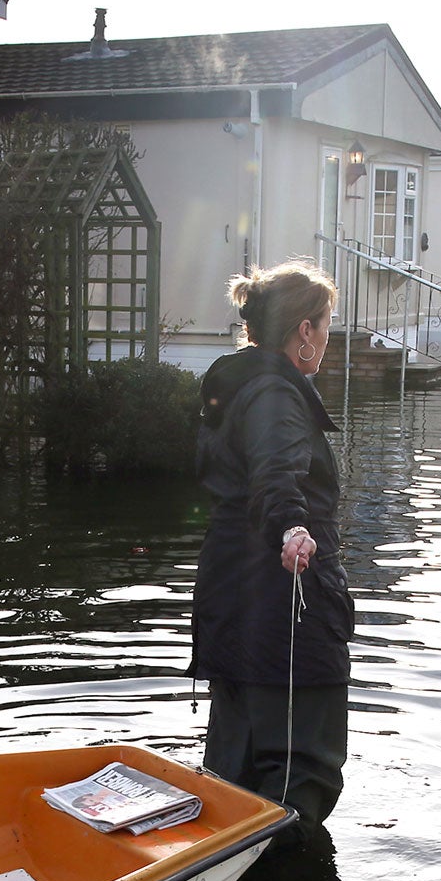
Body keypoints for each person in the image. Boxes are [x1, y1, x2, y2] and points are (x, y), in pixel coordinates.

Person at [190, 260, 354, 839]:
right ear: (304, 331)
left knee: (234, 763)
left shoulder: (232, 387)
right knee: (297, 772)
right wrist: (292, 530)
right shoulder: (276, 397)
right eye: (327, 323)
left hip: (234, 596)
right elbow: (275, 478)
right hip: (285, 603)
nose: (329, 336)